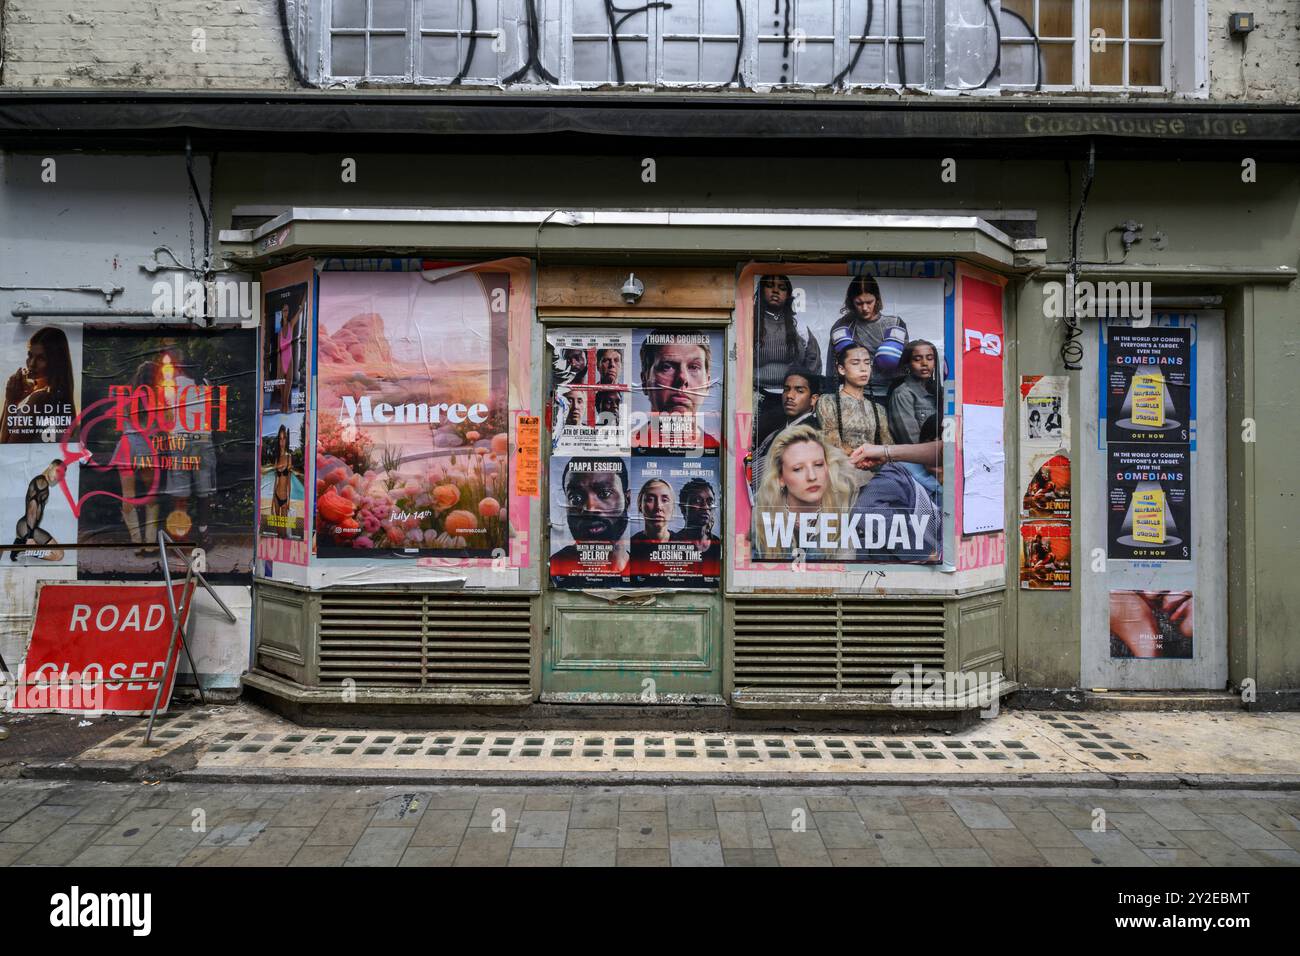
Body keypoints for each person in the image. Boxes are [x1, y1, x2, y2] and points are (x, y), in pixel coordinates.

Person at [752, 424, 857, 561]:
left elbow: (845, 575)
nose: (812, 476)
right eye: (798, 469)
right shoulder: (758, 513)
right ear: (780, 478)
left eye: (818, 465)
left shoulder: (842, 510)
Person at [818, 334, 894, 489]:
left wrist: (875, 460)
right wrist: (864, 458)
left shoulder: (878, 409)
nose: (863, 368)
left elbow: (888, 446)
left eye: (867, 363)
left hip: (874, 478)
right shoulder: (828, 401)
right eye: (855, 363)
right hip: (841, 477)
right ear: (841, 369)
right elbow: (832, 443)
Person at [755, 275, 820, 445]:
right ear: (761, 292)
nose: (775, 290)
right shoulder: (749, 323)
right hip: (757, 399)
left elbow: (813, 363)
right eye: (770, 286)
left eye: (782, 288)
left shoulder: (799, 325)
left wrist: (805, 397)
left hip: (794, 401)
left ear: (789, 295)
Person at [825, 276, 908, 403]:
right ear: (851, 302)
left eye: (869, 302)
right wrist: (830, 397)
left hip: (890, 393)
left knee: (889, 356)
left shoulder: (894, 323)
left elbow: (907, 364)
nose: (865, 308)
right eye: (859, 303)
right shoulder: (842, 326)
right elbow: (833, 367)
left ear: (877, 299)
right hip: (854, 394)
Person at [550, 457, 630, 583]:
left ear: (627, 500)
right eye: (575, 498)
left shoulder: (645, 568)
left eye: (605, 493)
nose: (590, 508)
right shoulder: (555, 568)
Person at [635, 332, 718, 452]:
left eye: (694, 367)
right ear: (644, 381)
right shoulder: (627, 446)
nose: (682, 378)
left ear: (707, 384)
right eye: (667, 366)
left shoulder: (718, 450)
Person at [750, 366, 821, 495]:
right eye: (786, 389)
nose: (789, 396)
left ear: (813, 399)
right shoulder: (779, 430)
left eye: (799, 391)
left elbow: (759, 476)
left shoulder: (808, 435)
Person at [2, 327, 77, 444]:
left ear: (56, 362)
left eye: (41, 358)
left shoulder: (40, 398)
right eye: (30, 356)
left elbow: (6, 447)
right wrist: (13, 400)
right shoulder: (58, 397)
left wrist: (11, 402)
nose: (31, 364)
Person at [118, 360, 161, 556]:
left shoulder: (129, 397)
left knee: (128, 497)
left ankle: (136, 543)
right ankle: (150, 542)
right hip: (145, 445)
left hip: (126, 445)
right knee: (151, 496)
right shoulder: (156, 398)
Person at [11, 459, 66, 562]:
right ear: (50, 466)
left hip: (26, 526)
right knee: (58, 555)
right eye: (57, 471)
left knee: (58, 554)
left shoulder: (41, 481)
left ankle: (21, 545)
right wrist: (30, 537)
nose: (58, 476)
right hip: (27, 528)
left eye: (61, 475)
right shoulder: (41, 483)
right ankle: (23, 547)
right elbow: (32, 509)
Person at [886, 339, 940, 445]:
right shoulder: (902, 394)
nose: (924, 363)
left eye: (930, 358)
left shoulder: (940, 392)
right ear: (908, 364)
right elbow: (911, 441)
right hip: (919, 457)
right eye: (917, 359)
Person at [669, 477, 722, 568]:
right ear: (683, 508)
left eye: (710, 502)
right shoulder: (671, 543)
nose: (705, 507)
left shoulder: (719, 545)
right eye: (697, 501)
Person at [629, 477, 674, 580]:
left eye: (665, 500)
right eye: (650, 499)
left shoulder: (685, 543)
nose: (658, 507)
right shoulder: (630, 548)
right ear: (640, 506)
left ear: (672, 507)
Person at [270, 424, 293, 538]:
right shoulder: (277, 458)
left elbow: (289, 481)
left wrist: (289, 500)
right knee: (278, 530)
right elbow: (276, 480)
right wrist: (271, 501)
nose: (282, 441)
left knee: (283, 530)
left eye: (284, 438)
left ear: (286, 440)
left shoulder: (289, 457)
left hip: (284, 498)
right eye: (280, 438)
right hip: (276, 497)